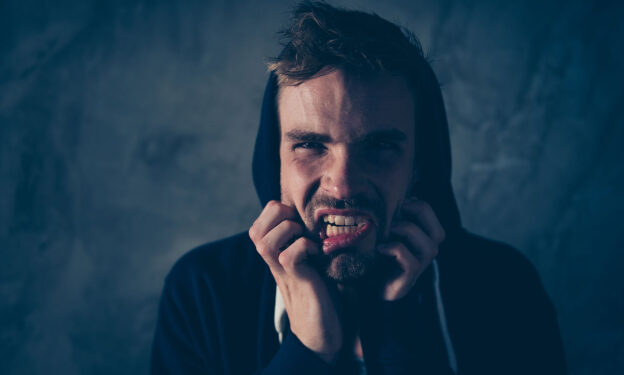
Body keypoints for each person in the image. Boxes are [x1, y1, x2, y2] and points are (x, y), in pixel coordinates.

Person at [150, 2, 567, 374]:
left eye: (381, 147)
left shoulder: (505, 291)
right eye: (310, 145)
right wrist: (308, 352)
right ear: (273, 160)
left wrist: (396, 335)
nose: (343, 184)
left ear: (420, 165)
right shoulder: (202, 292)